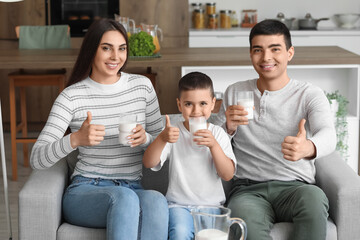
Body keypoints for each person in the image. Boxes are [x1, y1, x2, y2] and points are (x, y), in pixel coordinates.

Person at [30, 18, 168, 240]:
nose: (116, 57)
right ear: (91, 50)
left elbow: (162, 146)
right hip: (86, 190)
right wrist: (75, 139)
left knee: (157, 202)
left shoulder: (142, 87)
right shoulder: (71, 97)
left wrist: (146, 139)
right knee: (123, 198)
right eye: (107, 48)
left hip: (133, 186)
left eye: (122, 49)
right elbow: (37, 159)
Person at [213, 19, 336, 240]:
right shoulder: (234, 91)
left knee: (315, 200)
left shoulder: (309, 94)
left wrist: (308, 147)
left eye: (275, 49)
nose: (266, 57)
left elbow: (329, 134)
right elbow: (215, 141)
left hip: (297, 187)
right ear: (251, 54)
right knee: (242, 220)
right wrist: (227, 128)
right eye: (258, 50)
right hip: (248, 189)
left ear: (289, 53)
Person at [143, 72, 236, 240]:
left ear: (213, 104)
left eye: (202, 103)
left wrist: (214, 145)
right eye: (188, 104)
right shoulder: (172, 133)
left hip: (211, 206)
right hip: (178, 206)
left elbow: (227, 174)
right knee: (179, 234)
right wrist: (162, 139)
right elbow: (149, 162)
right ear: (179, 105)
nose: (196, 111)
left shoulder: (218, 134)